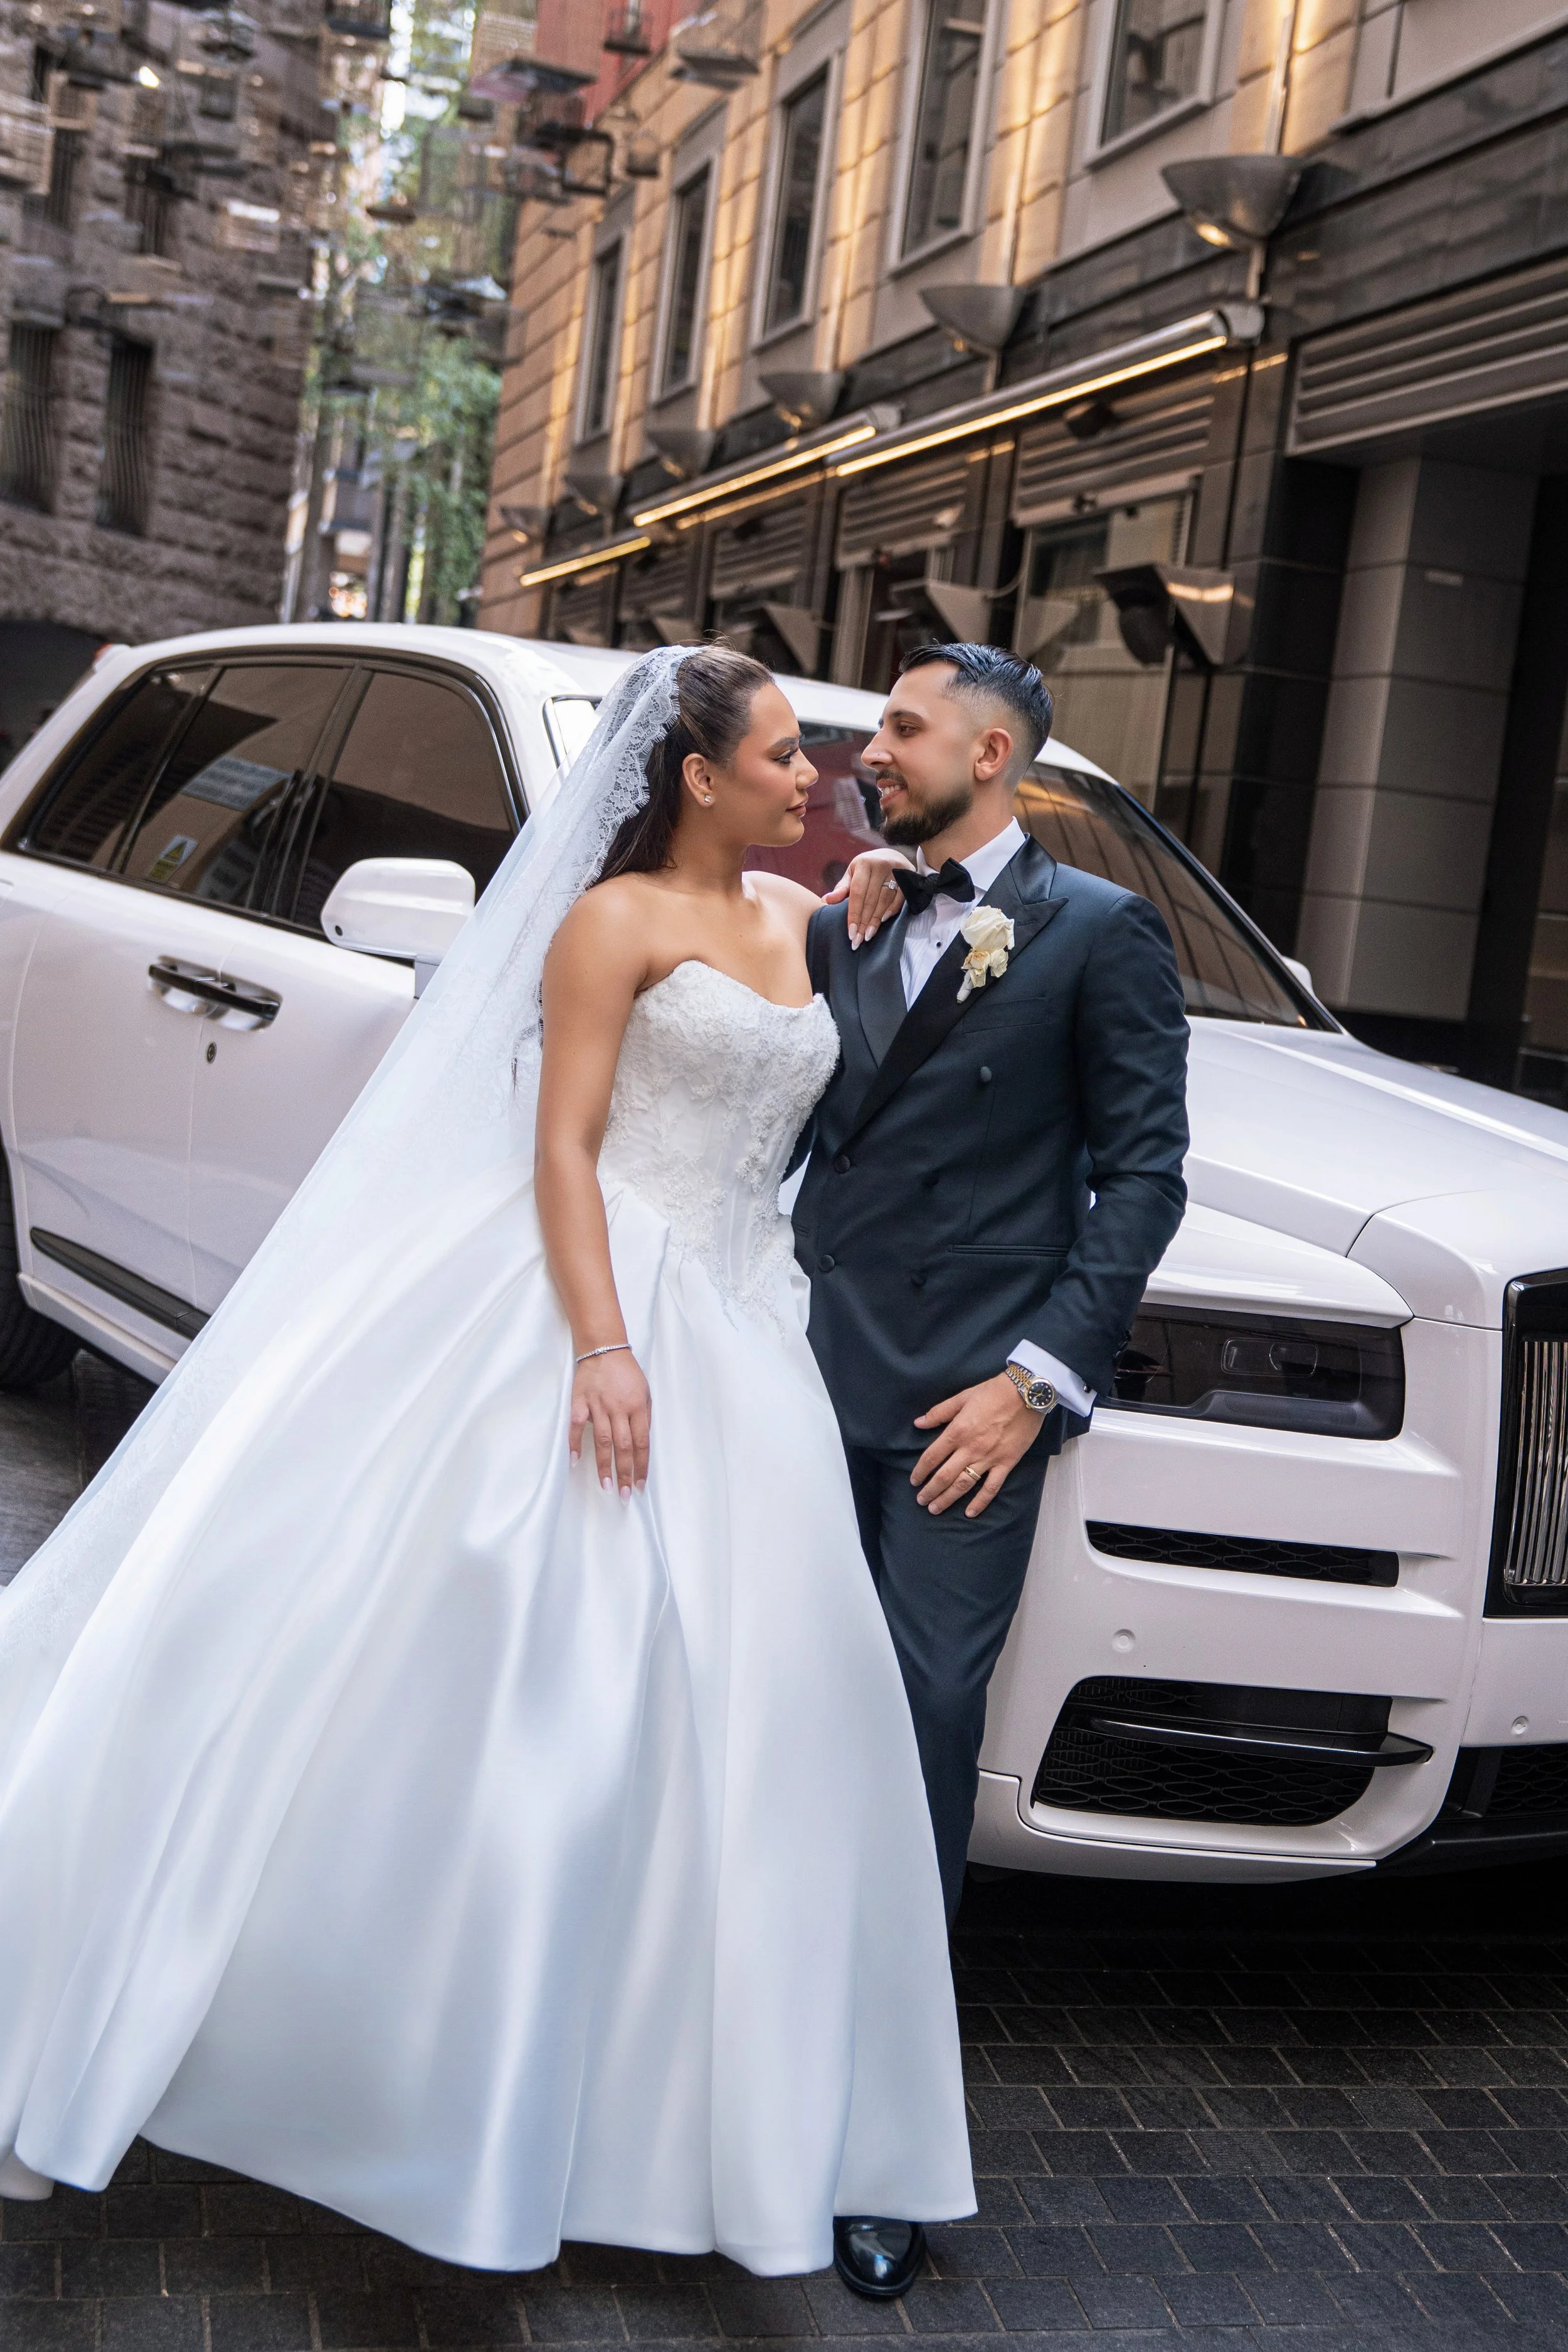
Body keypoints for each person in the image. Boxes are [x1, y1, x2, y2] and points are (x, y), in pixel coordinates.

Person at [0, 646, 975, 2282]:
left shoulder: (806, 925)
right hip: (609, 1307)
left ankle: (677, 2112)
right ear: (695, 774)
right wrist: (603, 1348)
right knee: (543, 1692)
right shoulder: (610, 927)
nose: (810, 777)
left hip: (752, 1328)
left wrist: (878, 933)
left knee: (747, 1724)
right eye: (776, 756)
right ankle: (416, 2064)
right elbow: (566, 1146)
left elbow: (805, 1111)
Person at [794, 640, 1189, 2295]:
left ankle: (878, 2141)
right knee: (763, 1712)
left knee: (916, 1729)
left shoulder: (1098, 936)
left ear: (993, 750)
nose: (862, 755)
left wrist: (1032, 1386)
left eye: (893, 728)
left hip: (966, 1417)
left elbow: (1143, 1175)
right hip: (790, 1379)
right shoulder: (840, 919)